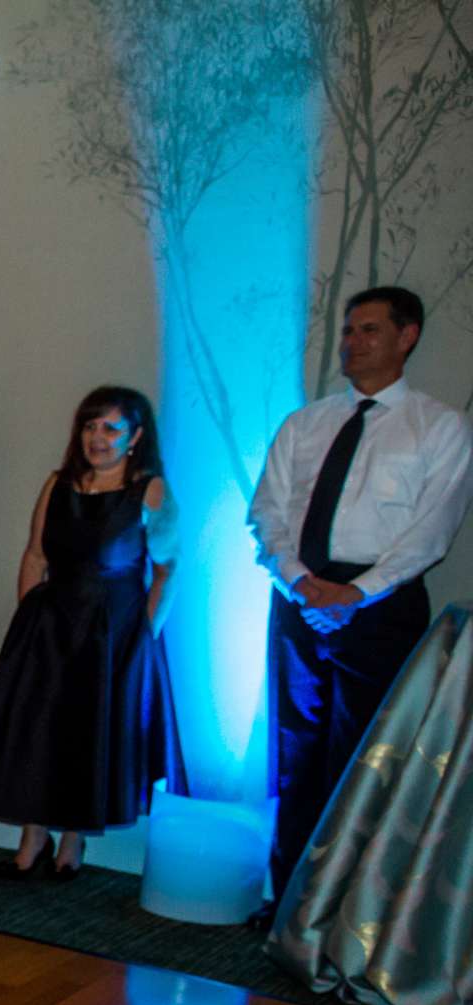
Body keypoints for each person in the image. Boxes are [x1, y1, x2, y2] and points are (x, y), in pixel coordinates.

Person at [250, 285, 473, 914]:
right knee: (295, 752)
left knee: (365, 756)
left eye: (369, 330)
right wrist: (299, 580)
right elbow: (266, 512)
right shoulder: (307, 422)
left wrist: (356, 592)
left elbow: (432, 530)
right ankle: (287, 899)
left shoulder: (440, 426)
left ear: (407, 338)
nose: (353, 342)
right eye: (349, 330)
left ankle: (340, 910)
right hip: (298, 596)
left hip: (381, 604)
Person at [0, 387, 180, 878]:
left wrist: (141, 637)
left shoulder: (150, 491)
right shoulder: (57, 484)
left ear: (136, 436)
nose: (97, 438)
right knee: (37, 734)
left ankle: (73, 843)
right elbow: (36, 555)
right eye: (89, 426)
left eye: (110, 428)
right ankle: (31, 840)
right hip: (49, 629)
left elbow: (167, 570)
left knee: (90, 734)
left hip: (112, 635)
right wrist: (28, 621)